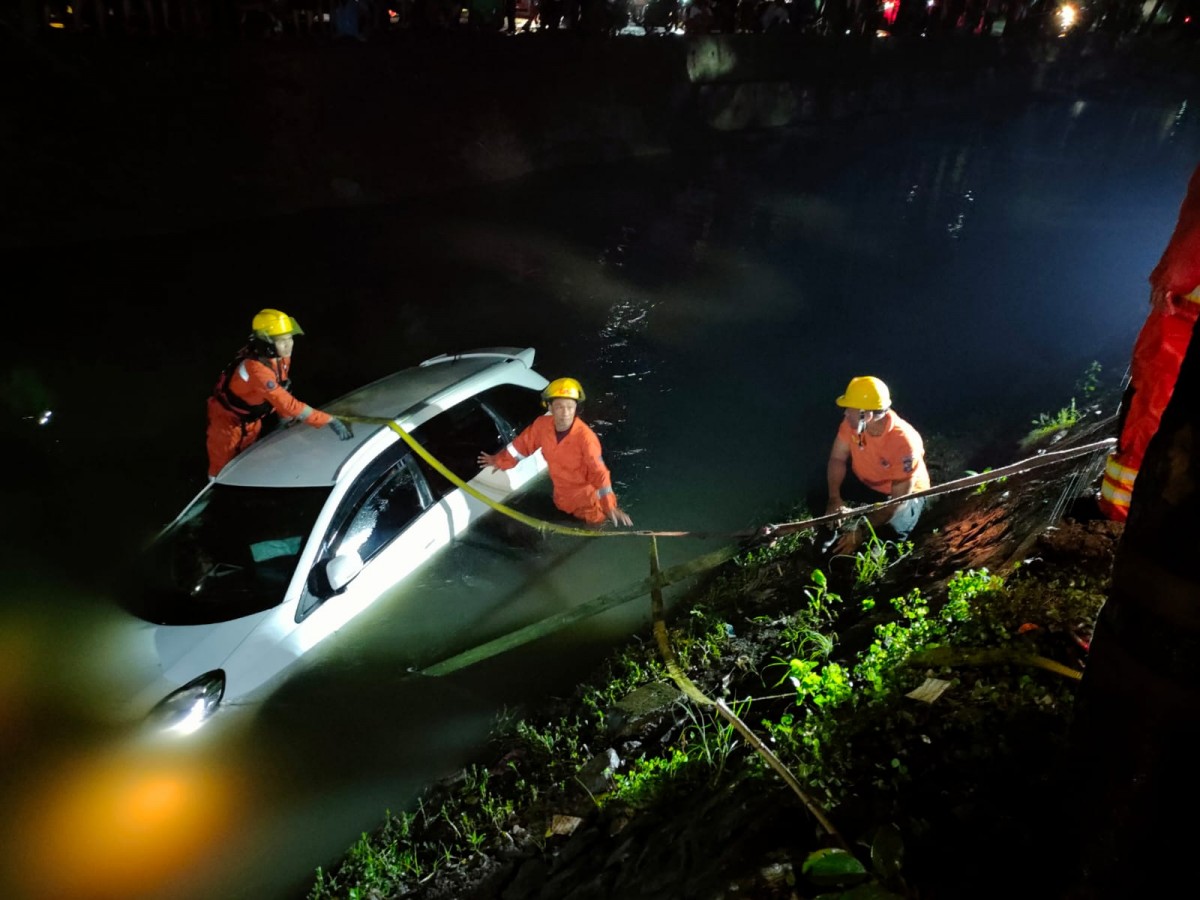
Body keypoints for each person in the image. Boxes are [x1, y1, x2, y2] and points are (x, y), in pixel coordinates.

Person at [1098, 162, 1200, 522]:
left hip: (1184, 315)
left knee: (1152, 410)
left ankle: (1118, 515)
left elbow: (1194, 232)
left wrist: (1170, 280)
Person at [206, 308, 353, 478]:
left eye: (290, 338)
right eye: (282, 340)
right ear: (267, 344)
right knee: (221, 472)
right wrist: (328, 420)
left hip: (252, 420)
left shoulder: (280, 358)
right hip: (227, 424)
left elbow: (281, 390)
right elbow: (287, 403)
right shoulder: (256, 369)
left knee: (246, 464)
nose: (289, 344)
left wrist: (285, 420)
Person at [477, 377, 633, 527]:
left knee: (590, 527)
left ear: (576, 409)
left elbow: (599, 473)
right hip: (562, 497)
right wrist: (498, 460)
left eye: (570, 407)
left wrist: (610, 506)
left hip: (589, 505)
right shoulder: (542, 426)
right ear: (550, 407)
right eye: (559, 407)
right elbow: (520, 447)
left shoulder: (586, 439)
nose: (565, 413)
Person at [824, 375, 929, 555]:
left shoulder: (904, 443)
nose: (845, 413)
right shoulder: (852, 424)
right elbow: (837, 459)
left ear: (867, 415)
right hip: (869, 483)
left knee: (887, 539)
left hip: (904, 495)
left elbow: (898, 502)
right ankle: (828, 533)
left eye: (850, 409)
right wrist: (834, 498)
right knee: (818, 489)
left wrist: (862, 530)